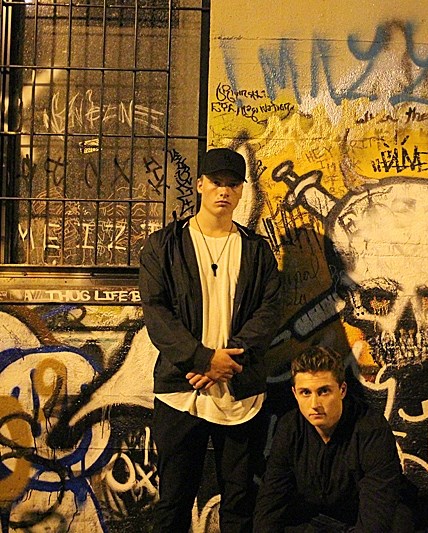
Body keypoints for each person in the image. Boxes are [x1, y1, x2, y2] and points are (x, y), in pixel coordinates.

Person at [139, 147, 282, 533]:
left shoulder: (256, 251)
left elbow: (268, 313)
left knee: (238, 500)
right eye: (217, 182)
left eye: (233, 185)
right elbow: (157, 311)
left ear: (241, 192)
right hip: (181, 390)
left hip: (240, 390)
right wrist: (202, 360)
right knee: (173, 500)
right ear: (200, 184)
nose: (225, 191)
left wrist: (225, 363)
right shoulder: (163, 246)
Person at [254, 345, 412, 532]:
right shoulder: (290, 428)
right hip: (316, 519)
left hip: (363, 519)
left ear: (342, 390)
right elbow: (271, 500)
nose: (315, 404)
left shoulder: (371, 429)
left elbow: (377, 512)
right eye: (306, 392)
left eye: (324, 391)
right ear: (295, 394)